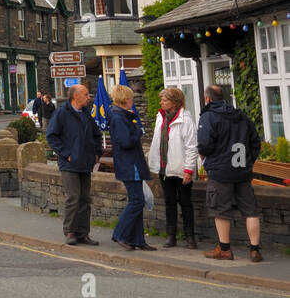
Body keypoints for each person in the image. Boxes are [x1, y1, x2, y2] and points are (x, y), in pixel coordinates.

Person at [197, 85, 263, 262]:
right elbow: (256, 143)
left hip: (220, 172)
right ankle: (255, 250)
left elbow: (204, 145)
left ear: (207, 99)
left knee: (221, 211)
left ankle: (225, 250)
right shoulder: (242, 116)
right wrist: (248, 162)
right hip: (242, 171)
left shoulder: (209, 116)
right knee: (251, 211)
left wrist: (208, 160)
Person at [45, 83, 102, 246]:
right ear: (75, 96)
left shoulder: (86, 113)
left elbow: (96, 134)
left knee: (85, 199)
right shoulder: (62, 113)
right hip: (69, 164)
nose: (88, 96)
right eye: (85, 94)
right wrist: (67, 154)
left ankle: (83, 233)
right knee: (73, 197)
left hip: (86, 162)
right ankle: (70, 232)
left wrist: (97, 153)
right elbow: (52, 136)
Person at [147, 87, 198, 249]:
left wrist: (189, 170)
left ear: (175, 102)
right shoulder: (160, 117)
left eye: (165, 99)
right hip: (164, 168)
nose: (161, 102)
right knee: (169, 202)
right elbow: (157, 143)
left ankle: (190, 237)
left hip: (181, 168)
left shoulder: (186, 120)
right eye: (161, 99)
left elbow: (192, 147)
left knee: (185, 202)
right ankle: (171, 236)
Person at [108, 85, 155, 251]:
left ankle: (138, 240)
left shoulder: (121, 116)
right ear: (125, 100)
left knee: (137, 201)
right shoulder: (119, 118)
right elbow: (126, 142)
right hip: (130, 164)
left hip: (130, 163)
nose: (132, 101)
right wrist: (138, 132)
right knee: (137, 201)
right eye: (131, 98)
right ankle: (120, 234)